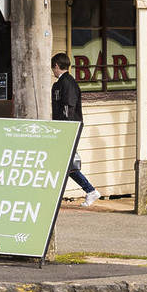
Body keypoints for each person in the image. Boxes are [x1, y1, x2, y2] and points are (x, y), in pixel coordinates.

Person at [51, 52, 101, 207]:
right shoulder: (62, 83)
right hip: (65, 127)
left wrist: (65, 128)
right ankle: (90, 190)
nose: (52, 71)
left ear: (56, 66)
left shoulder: (67, 83)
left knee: (66, 162)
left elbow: (69, 107)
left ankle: (90, 190)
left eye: (53, 68)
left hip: (68, 128)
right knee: (65, 163)